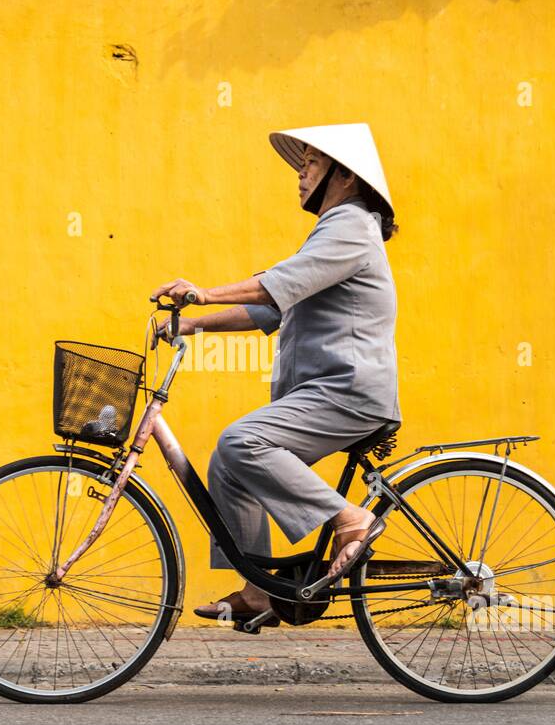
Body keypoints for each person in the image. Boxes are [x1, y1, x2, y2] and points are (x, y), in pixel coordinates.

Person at [150, 123, 400, 624]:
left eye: (309, 163)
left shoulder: (352, 224)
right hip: (325, 391)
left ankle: (351, 519)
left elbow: (275, 286)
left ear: (345, 175)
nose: (300, 175)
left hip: (348, 392)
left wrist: (205, 292)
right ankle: (260, 590)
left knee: (244, 442)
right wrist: (196, 323)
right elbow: (272, 309)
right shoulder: (330, 233)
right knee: (229, 461)